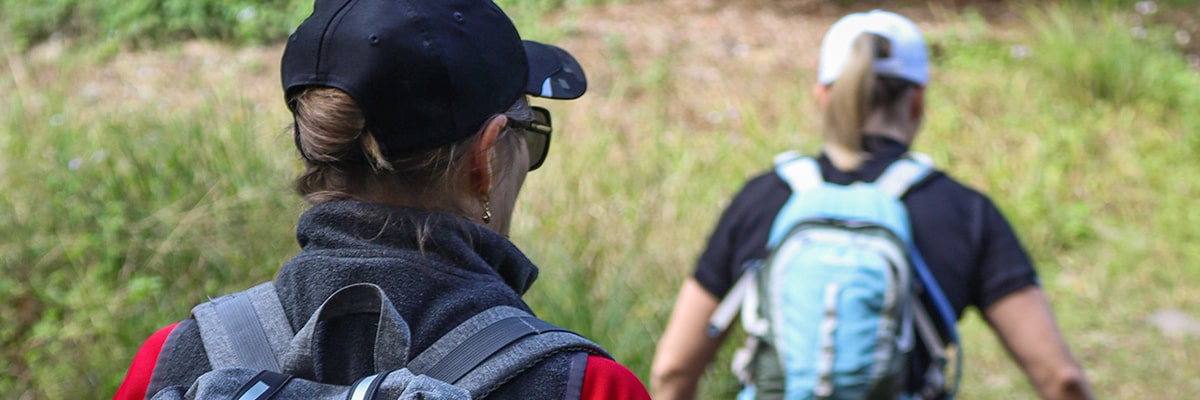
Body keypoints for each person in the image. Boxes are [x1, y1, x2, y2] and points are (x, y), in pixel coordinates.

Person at [114, 0, 650, 398]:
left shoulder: (174, 360)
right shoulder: (586, 386)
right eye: (530, 136)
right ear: (483, 162)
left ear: (318, 149)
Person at [651, 10, 1093, 400]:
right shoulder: (964, 211)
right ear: (918, 99)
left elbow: (673, 369)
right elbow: (1060, 379)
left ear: (823, 96)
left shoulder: (763, 199)